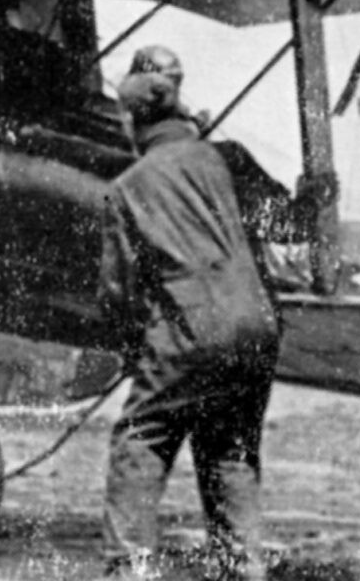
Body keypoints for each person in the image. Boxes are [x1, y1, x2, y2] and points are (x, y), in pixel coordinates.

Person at [98, 73, 281, 581]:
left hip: (193, 331)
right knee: (230, 452)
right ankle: (244, 570)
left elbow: (117, 292)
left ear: (131, 121)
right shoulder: (222, 159)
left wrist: (132, 345)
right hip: (257, 326)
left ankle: (130, 570)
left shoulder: (126, 188)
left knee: (140, 438)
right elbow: (281, 220)